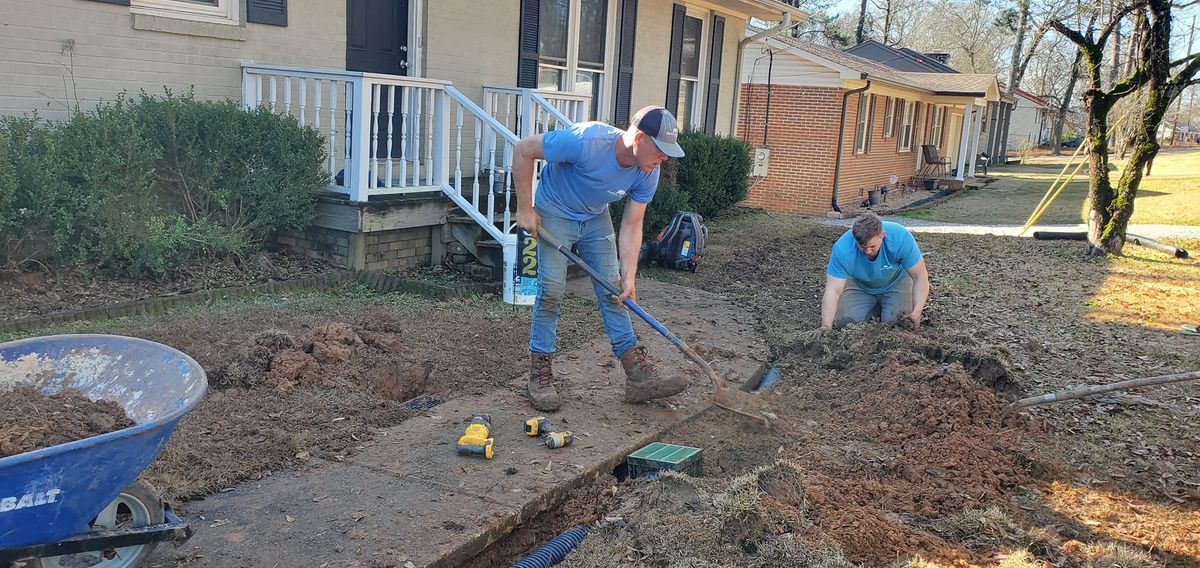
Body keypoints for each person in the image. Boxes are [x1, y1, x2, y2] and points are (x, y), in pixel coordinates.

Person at [512, 106, 689, 412]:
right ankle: (540, 374)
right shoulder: (586, 142)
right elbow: (524, 149)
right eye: (660, 150)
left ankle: (638, 376)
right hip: (554, 210)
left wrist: (629, 275)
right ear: (640, 137)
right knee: (552, 290)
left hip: (595, 217)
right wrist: (525, 208)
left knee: (614, 291)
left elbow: (633, 224)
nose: (664, 158)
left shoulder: (649, 171)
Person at [820, 213, 930, 329]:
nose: (867, 251)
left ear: (883, 235)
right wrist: (826, 326)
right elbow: (832, 290)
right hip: (861, 285)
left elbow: (920, 277)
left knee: (897, 324)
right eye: (862, 247)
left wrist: (917, 312)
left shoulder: (900, 238)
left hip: (896, 281)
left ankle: (885, 307)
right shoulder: (842, 249)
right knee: (846, 323)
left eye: (872, 246)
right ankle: (875, 307)